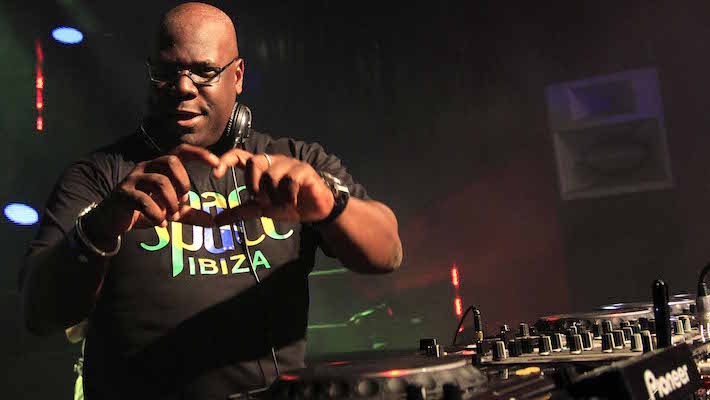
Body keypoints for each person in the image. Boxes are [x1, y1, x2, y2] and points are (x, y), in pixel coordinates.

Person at [20, 2, 402, 399]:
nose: (183, 87)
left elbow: (387, 253)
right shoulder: (102, 177)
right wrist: (101, 226)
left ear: (237, 76)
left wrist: (329, 204)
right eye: (167, 72)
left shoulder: (293, 163)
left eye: (204, 72)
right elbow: (38, 313)